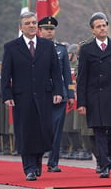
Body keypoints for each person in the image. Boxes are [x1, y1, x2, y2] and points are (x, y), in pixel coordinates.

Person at [1, 12, 63, 181]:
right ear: (20, 27)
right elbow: (6, 74)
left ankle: (36, 162)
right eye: (27, 23)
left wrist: (58, 91)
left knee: (43, 131)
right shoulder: (11, 47)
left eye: (34, 22)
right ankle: (28, 167)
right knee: (26, 132)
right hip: (22, 96)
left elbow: (56, 71)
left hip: (44, 95)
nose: (31, 25)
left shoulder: (47, 46)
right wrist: (6, 94)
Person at [76, 12, 111, 178]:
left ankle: (107, 156)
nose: (102, 29)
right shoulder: (87, 50)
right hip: (96, 97)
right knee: (99, 131)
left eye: (104, 25)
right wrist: (82, 102)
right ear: (92, 30)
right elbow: (82, 78)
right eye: (98, 26)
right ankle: (105, 164)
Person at [38, 16, 75, 172]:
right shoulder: (35, 48)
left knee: (57, 129)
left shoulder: (61, 49)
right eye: (46, 29)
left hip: (60, 94)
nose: (49, 32)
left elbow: (67, 73)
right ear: (40, 31)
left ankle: (53, 162)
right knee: (40, 129)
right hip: (41, 95)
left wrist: (71, 94)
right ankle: (37, 161)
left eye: (52, 29)